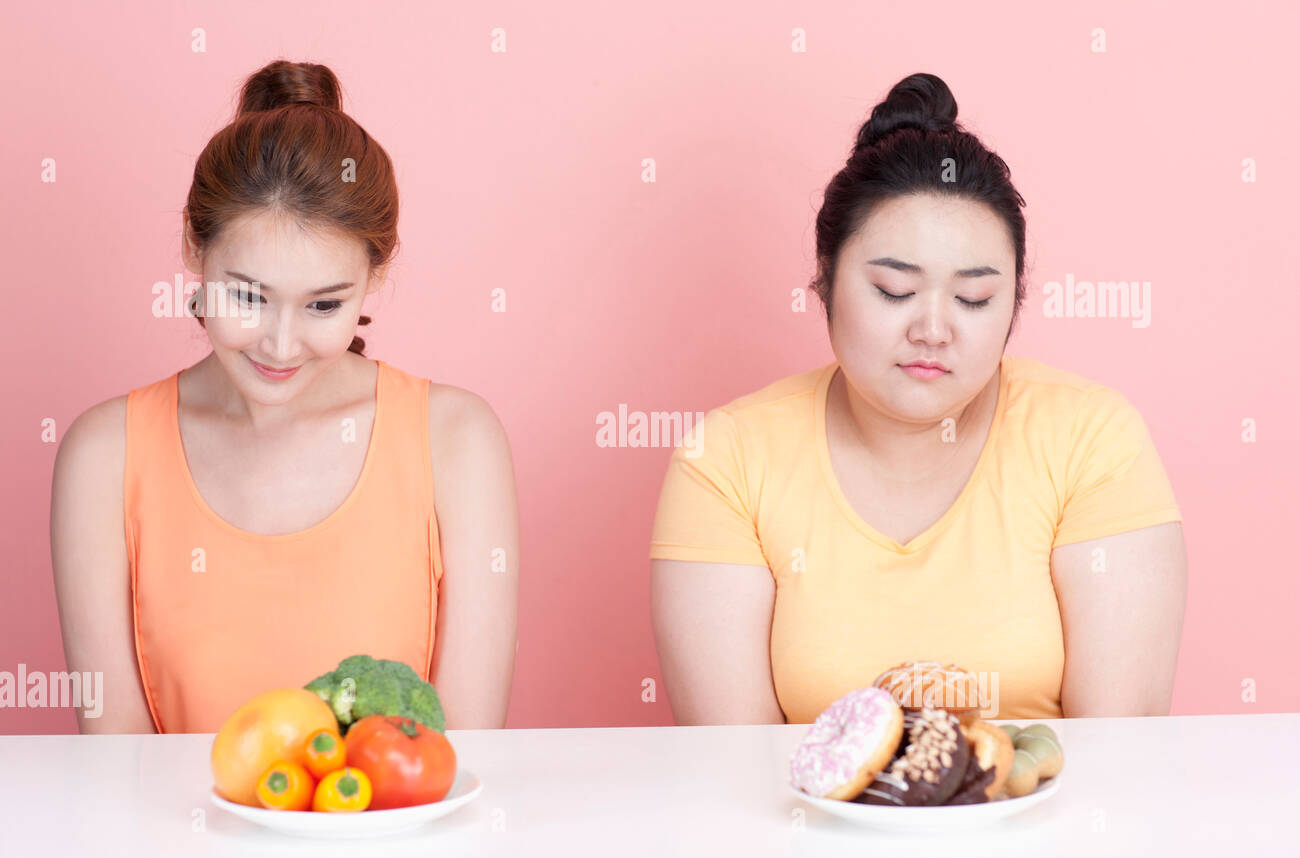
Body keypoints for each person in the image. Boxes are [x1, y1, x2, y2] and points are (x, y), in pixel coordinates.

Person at [650, 73, 1186, 725]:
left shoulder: (1091, 439)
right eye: (894, 291)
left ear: (1014, 302)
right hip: (802, 799)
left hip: (1052, 797)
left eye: (973, 299)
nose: (933, 329)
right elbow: (733, 761)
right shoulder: (728, 458)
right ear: (825, 278)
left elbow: (1123, 754)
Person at [51, 60, 519, 733]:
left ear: (377, 272)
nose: (279, 344)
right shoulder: (104, 456)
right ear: (193, 246)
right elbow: (116, 761)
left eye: (323, 305)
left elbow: (462, 753)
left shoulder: (457, 441)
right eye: (247, 296)